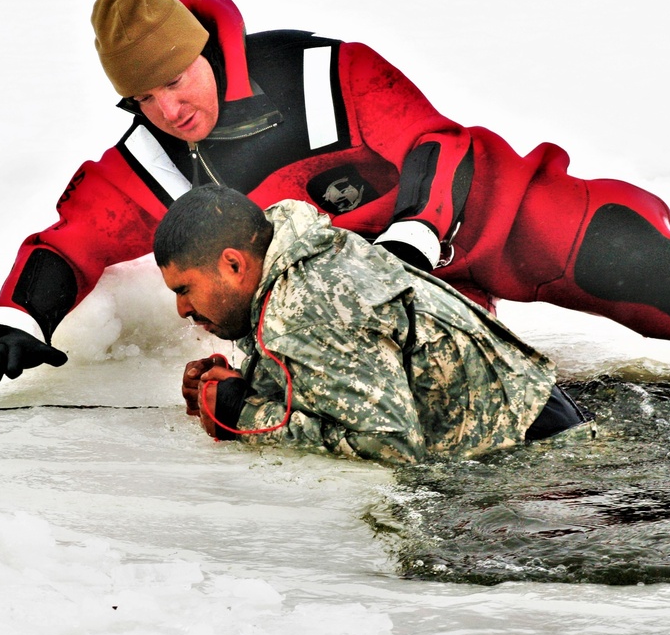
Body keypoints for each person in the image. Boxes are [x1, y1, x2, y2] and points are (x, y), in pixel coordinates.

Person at [0, 0, 670, 392]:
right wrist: (20, 320)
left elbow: (435, 146)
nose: (169, 109)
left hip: (492, 220)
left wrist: (416, 237)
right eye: (144, 97)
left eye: (177, 80)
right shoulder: (153, 157)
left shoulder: (326, 71)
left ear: (209, 50)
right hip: (376, 312)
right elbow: (73, 239)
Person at [154, 185, 593, 464]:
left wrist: (242, 414)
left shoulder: (307, 304)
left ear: (232, 264)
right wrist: (241, 384)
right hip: (536, 415)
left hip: (539, 456)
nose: (181, 310)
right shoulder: (294, 260)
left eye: (184, 289)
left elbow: (390, 446)